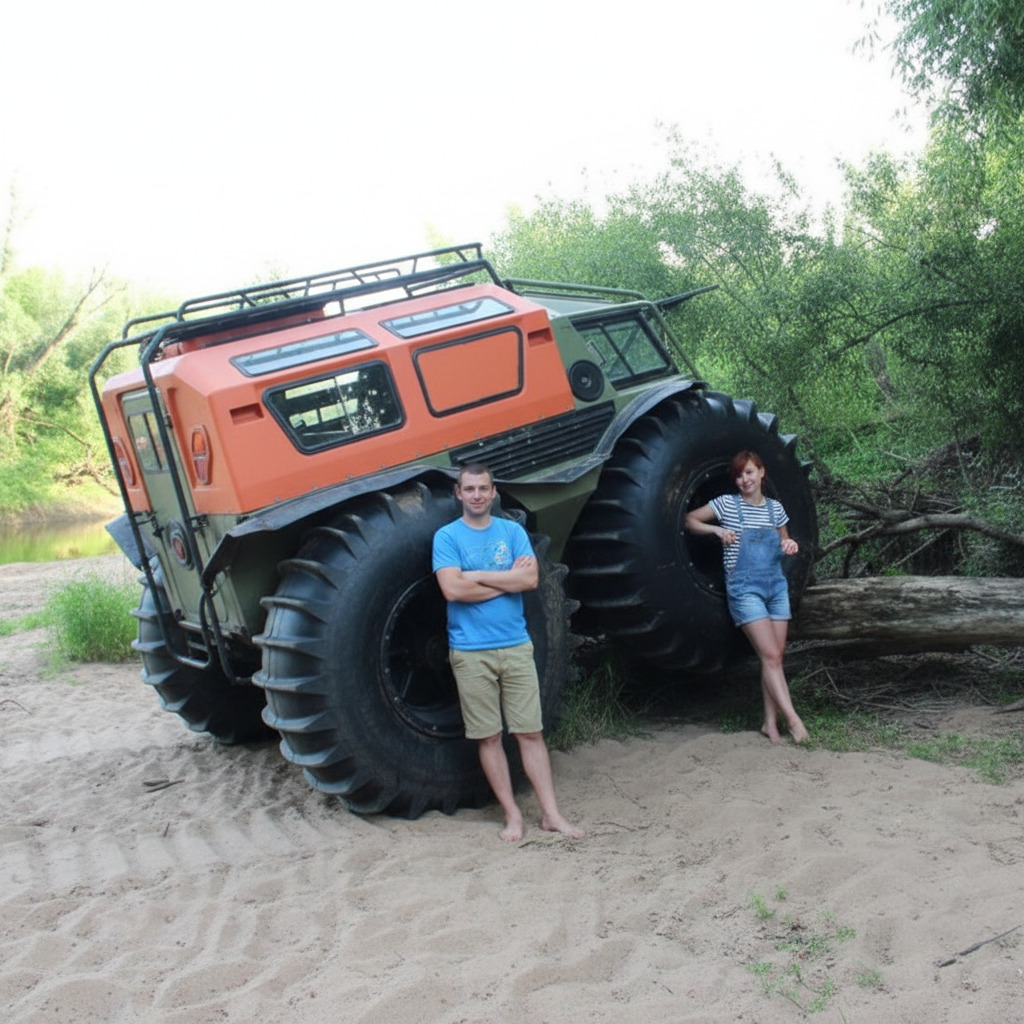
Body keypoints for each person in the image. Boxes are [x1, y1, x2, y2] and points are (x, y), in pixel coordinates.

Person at [433, 463, 585, 842]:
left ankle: (551, 814)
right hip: (471, 652)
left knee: (531, 733)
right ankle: (512, 815)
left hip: (516, 646)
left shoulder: (512, 531)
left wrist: (475, 575)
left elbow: (530, 579)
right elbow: (452, 590)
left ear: (494, 492)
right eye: (470, 489)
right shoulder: (447, 537)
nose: (477, 495)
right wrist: (506, 581)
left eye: (483, 488)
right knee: (489, 737)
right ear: (459, 493)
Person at [685, 451, 809, 745]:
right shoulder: (727, 504)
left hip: (775, 586)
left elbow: (784, 541)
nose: (745, 480)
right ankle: (794, 721)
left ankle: (769, 723)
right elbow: (690, 520)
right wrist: (717, 530)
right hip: (744, 588)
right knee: (771, 656)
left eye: (750, 472)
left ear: (762, 472)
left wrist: (789, 545)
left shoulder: (775, 509)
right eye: (739, 475)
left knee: (774, 657)